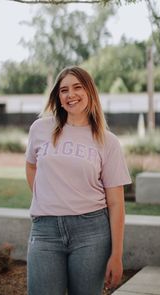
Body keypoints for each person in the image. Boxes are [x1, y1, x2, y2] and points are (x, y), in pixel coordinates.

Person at [25, 65, 132, 295]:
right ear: (58, 97)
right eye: (64, 90)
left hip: (91, 232)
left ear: (89, 92)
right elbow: (31, 165)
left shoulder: (108, 141)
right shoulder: (40, 128)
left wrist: (116, 254)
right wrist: (47, 196)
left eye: (77, 87)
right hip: (45, 231)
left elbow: (116, 203)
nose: (70, 94)